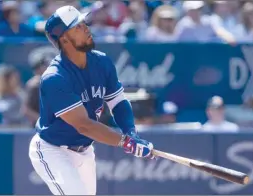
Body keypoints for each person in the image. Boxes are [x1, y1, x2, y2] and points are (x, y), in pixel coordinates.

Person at [28, 6, 155, 195]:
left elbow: (118, 101)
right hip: (53, 150)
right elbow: (84, 125)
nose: (86, 28)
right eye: (77, 27)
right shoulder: (55, 77)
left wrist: (131, 132)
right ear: (64, 39)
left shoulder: (102, 62)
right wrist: (126, 142)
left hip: (85, 150)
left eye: (83, 23)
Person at [24, 54, 51, 127]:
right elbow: (26, 110)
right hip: (38, 127)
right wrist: (43, 120)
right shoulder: (34, 85)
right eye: (45, 66)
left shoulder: (48, 81)